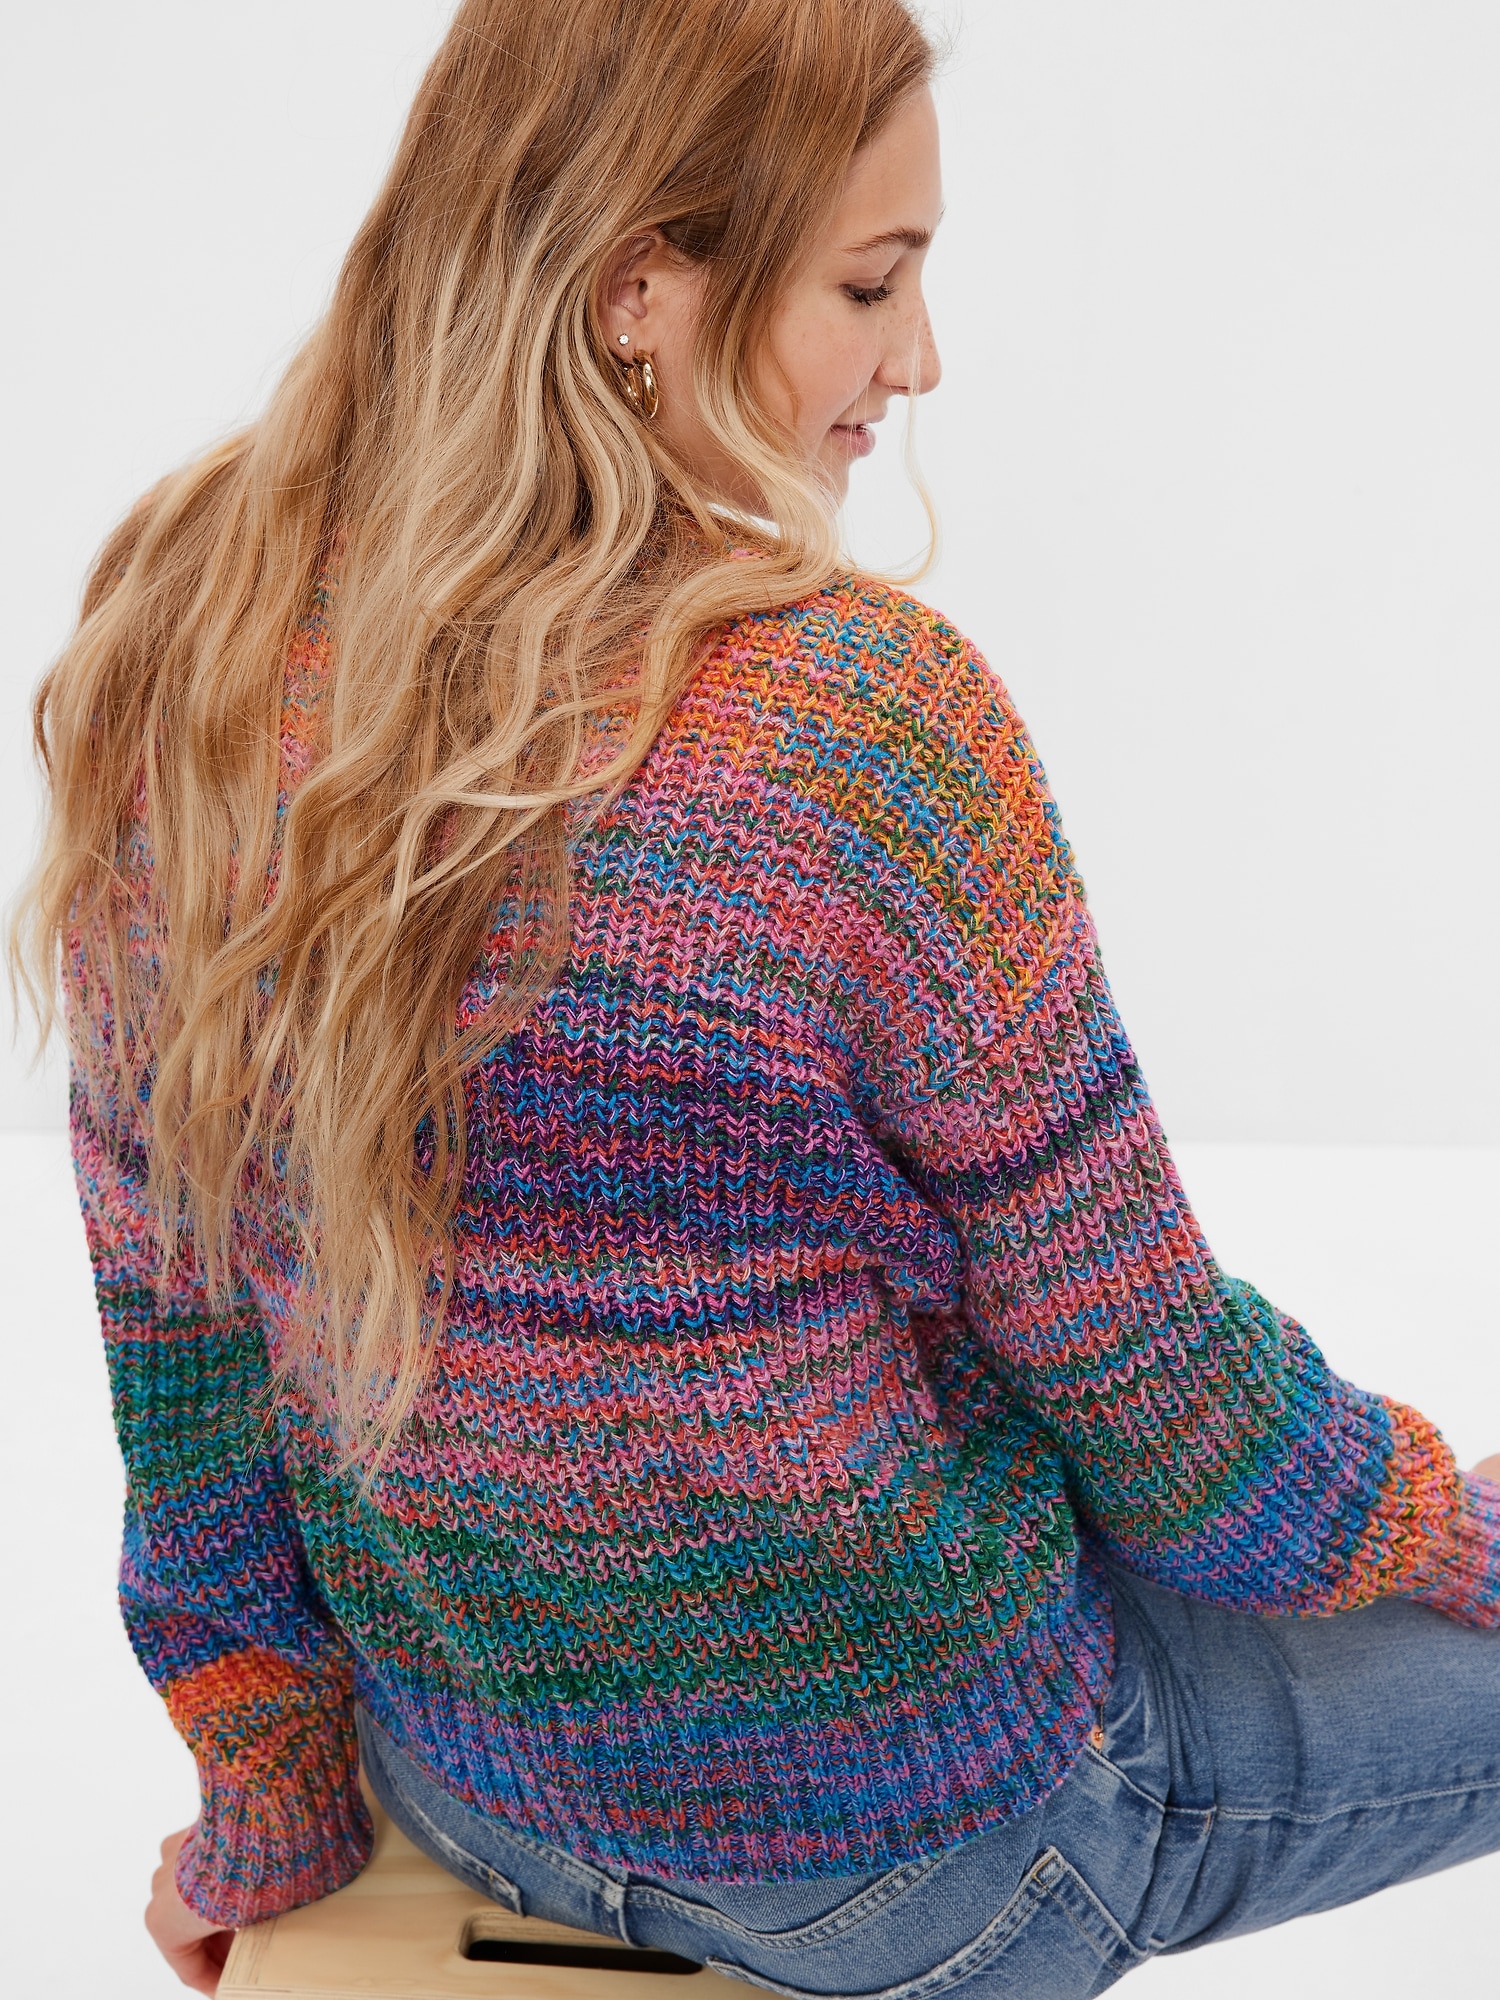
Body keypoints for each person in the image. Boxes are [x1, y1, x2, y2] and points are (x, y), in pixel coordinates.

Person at [13, 3, 1500, 1995]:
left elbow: (180, 1354)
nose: (921, 358)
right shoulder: (860, 729)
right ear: (640, 287)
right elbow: (1160, 1404)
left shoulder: (190, 649)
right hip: (918, 1852)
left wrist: (270, 1803)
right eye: (871, 285)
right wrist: (1437, 1518)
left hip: (479, 1791)